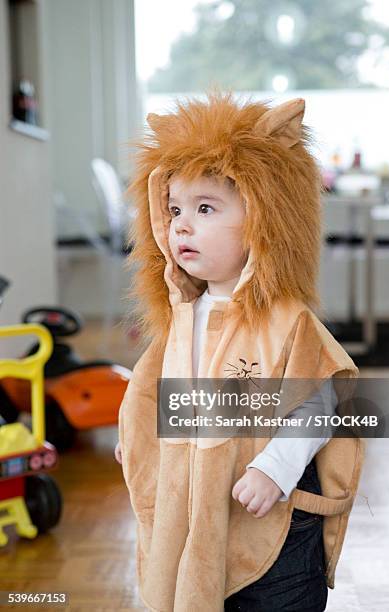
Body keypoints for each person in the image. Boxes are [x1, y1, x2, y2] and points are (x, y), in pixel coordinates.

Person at [115, 91, 366, 612]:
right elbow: (155, 396)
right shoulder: (181, 313)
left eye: (206, 208)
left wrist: (275, 467)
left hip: (269, 514)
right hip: (195, 504)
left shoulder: (286, 320)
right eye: (174, 209)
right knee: (201, 582)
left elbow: (319, 404)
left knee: (275, 599)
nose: (182, 225)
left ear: (262, 220)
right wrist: (139, 436)